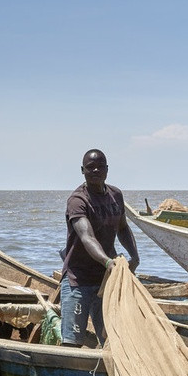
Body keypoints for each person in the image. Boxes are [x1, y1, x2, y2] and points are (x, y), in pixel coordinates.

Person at [59, 149, 140, 347]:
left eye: (100, 166)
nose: (95, 170)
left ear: (107, 169)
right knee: (72, 343)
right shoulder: (78, 201)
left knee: (113, 342)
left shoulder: (116, 195)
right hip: (78, 280)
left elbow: (123, 228)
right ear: (82, 170)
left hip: (107, 280)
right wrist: (107, 261)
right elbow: (87, 237)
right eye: (90, 167)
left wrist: (135, 257)